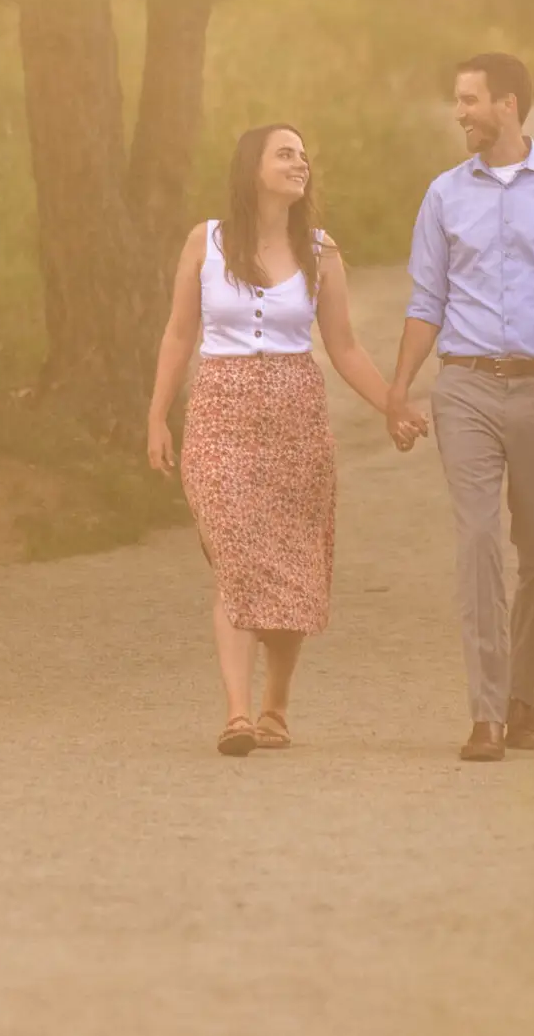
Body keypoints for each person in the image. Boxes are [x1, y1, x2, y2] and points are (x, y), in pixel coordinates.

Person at [146, 123, 418, 757]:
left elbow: (345, 348)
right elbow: (178, 335)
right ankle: (237, 715)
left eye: (304, 156)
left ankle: (276, 706)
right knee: (237, 559)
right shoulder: (205, 242)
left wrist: (393, 406)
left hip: (297, 418)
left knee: (292, 567)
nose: (300, 164)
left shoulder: (321, 252)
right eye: (285, 154)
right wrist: (158, 415)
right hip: (219, 414)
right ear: (252, 168)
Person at [387, 54, 534, 763]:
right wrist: (399, 388)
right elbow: (427, 303)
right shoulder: (444, 196)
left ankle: (523, 696)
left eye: (468, 99)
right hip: (467, 389)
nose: (458, 112)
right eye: (457, 99)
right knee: (478, 542)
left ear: (508, 105)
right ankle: (486, 712)